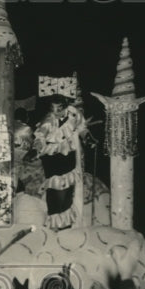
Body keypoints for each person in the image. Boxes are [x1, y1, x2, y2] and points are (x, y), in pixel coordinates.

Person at [31, 95, 85, 230]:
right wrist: (34, 150)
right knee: (55, 190)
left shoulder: (74, 114)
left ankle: (65, 225)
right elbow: (40, 136)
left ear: (65, 106)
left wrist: (89, 139)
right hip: (52, 157)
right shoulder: (48, 120)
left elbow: (82, 128)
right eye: (53, 108)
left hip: (69, 155)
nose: (56, 112)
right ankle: (54, 225)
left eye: (59, 108)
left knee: (67, 189)